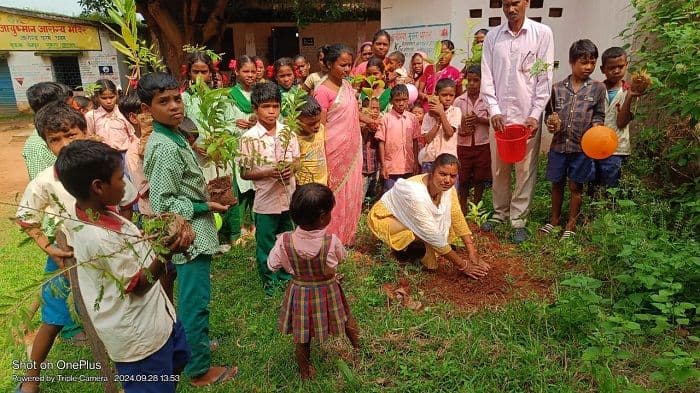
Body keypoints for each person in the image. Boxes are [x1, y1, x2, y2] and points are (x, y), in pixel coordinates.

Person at [14, 102, 138, 393]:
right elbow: (25, 218)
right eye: (54, 139)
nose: (64, 144)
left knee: (117, 308)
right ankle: (31, 378)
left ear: (85, 132)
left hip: (107, 253)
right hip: (67, 257)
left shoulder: (106, 167)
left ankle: (128, 369)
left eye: (71, 135)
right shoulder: (45, 180)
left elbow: (126, 200)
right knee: (54, 319)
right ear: (46, 144)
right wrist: (49, 248)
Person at [55, 140, 193, 393]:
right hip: (138, 338)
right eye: (121, 178)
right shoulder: (97, 237)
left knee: (177, 360)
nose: (126, 184)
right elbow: (138, 285)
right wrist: (166, 253)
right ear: (98, 187)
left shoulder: (101, 212)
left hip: (158, 318)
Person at [139, 71, 237, 387]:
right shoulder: (164, 146)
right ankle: (198, 369)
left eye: (176, 99)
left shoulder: (174, 135)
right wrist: (204, 205)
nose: (174, 107)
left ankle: (193, 347)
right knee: (194, 302)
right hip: (188, 236)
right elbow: (164, 203)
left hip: (194, 232)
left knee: (191, 299)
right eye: (163, 101)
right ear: (146, 108)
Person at [268, 183, 361, 379]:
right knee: (345, 317)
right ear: (322, 216)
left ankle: (305, 371)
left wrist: (291, 265)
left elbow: (272, 265)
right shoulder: (331, 241)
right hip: (328, 289)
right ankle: (360, 349)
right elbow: (342, 258)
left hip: (300, 291)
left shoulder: (285, 241)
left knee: (302, 335)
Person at [480, 0, 554, 244]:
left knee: (525, 169)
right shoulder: (493, 37)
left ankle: (519, 219)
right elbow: (487, 76)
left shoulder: (542, 34)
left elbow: (544, 78)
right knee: (499, 167)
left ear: (527, 3)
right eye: (506, 4)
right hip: (499, 117)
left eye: (515, 3)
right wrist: (493, 110)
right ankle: (500, 212)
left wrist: (535, 114)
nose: (511, 9)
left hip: (526, 118)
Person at [368, 153, 491, 278]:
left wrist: (472, 251)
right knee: (423, 232)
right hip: (385, 218)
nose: (448, 180)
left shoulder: (447, 188)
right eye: (442, 174)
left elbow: (456, 215)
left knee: (442, 225)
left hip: (414, 220)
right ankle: (392, 248)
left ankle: (415, 249)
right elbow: (430, 232)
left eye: (453, 176)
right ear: (432, 172)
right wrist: (463, 265)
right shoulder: (415, 193)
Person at [239, 82, 300, 295]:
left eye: (276, 106)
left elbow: (297, 161)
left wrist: (289, 169)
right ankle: (270, 283)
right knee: (265, 244)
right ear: (255, 109)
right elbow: (245, 172)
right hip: (266, 200)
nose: (272, 111)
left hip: (288, 197)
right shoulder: (249, 138)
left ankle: (285, 277)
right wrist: (268, 172)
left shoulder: (288, 132)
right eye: (266, 107)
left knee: (287, 239)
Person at [541, 39, 606, 239]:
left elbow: (599, 115)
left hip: (582, 149)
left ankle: (571, 224)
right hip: (559, 145)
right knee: (557, 184)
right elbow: (548, 116)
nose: (588, 67)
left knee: (576, 186)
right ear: (572, 62)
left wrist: (596, 127)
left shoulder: (597, 88)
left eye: (592, 62)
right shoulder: (557, 88)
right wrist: (551, 124)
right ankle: (554, 220)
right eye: (583, 62)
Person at [313, 44, 363, 245]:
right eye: (343, 65)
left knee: (350, 191)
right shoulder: (322, 91)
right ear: (329, 64)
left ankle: (347, 235)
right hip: (332, 151)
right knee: (334, 194)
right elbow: (320, 126)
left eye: (350, 65)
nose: (348, 69)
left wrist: (372, 119)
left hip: (351, 149)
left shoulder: (347, 86)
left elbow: (355, 114)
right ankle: (330, 238)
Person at [596, 47, 643, 189]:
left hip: (617, 149)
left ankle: (610, 210)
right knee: (594, 185)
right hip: (595, 146)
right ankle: (593, 211)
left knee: (612, 186)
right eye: (611, 68)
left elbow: (621, 122)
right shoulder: (596, 90)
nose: (616, 71)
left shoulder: (630, 92)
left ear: (626, 65)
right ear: (603, 69)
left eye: (620, 67)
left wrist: (628, 97)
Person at [228, 55, 259, 238]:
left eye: (253, 72)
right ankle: (238, 229)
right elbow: (223, 122)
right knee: (239, 189)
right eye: (246, 71)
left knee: (257, 187)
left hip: (257, 147)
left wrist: (258, 122)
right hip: (237, 146)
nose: (250, 75)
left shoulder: (259, 94)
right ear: (237, 72)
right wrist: (235, 124)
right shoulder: (230, 96)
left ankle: (256, 225)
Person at [453, 65, 491, 211]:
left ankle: (476, 208)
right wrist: (463, 128)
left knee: (479, 178)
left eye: (476, 80)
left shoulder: (487, 100)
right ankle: (462, 208)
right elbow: (454, 122)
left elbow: (493, 120)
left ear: (482, 81)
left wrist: (479, 120)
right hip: (463, 145)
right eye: (469, 80)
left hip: (483, 144)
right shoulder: (459, 101)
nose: (472, 84)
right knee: (463, 179)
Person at [22, 82, 73, 181]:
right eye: (67, 107)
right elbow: (43, 188)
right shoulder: (37, 147)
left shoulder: (70, 132)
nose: (72, 111)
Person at [376, 84, 420, 191]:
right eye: (397, 100)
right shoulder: (385, 119)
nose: (401, 103)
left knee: (407, 195)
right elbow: (381, 142)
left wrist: (415, 163)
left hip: (408, 166)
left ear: (408, 100)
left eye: (404, 100)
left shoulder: (412, 118)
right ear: (391, 101)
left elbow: (415, 141)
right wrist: (383, 165)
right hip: (391, 167)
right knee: (390, 196)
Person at [120, 92, 153, 215]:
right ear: (134, 117)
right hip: (154, 213)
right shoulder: (133, 152)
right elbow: (143, 191)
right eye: (148, 112)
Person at [420, 78, 461, 173]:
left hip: (448, 160)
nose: (448, 98)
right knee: (428, 187)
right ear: (437, 95)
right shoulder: (428, 115)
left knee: (448, 186)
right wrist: (438, 122)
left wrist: (442, 114)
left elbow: (449, 133)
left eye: (451, 95)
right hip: (430, 159)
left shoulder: (455, 111)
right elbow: (427, 139)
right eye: (444, 95)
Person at [85, 78, 137, 152]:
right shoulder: (91, 116)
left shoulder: (123, 111)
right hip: (103, 155)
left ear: (116, 95)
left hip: (125, 154)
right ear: (97, 97)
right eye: (104, 98)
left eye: (112, 97)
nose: (109, 101)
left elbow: (132, 135)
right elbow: (88, 136)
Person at [418, 40, 463, 111]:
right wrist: (427, 97)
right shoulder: (429, 69)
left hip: (446, 111)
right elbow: (419, 92)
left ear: (452, 54)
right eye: (440, 52)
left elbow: (458, 96)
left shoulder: (455, 73)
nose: (442, 56)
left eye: (446, 53)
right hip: (428, 108)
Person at [296, 96, 327, 186]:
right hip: (304, 186)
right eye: (311, 124)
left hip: (322, 183)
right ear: (297, 120)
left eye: (318, 121)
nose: (317, 125)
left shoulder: (321, 129)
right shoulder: (294, 139)